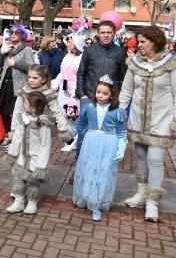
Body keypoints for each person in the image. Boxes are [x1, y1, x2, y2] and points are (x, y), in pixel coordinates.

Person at [119, 26, 176, 222]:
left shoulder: (172, 64)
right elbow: (126, 92)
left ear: (154, 42)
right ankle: (141, 194)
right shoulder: (134, 63)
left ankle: (152, 202)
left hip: (162, 120)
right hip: (138, 120)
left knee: (155, 159)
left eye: (142, 42)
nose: (138, 45)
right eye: (138, 42)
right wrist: (118, 114)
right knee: (140, 157)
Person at [6, 65, 71, 215]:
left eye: (35, 78)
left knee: (34, 175)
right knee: (19, 172)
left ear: (43, 79)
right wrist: (14, 130)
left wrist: (63, 130)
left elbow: (57, 112)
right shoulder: (24, 92)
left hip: (39, 130)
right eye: (29, 77)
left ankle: (33, 202)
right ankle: (19, 201)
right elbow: (17, 111)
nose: (31, 80)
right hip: (23, 133)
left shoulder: (49, 94)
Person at [71, 76, 127, 221]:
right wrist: (69, 134)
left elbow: (121, 132)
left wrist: (121, 148)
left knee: (103, 171)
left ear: (112, 95)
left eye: (105, 93)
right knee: (89, 169)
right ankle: (86, 197)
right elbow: (81, 125)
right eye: (98, 92)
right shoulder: (90, 107)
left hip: (108, 143)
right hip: (91, 142)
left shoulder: (117, 111)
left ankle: (96, 204)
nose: (100, 96)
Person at [75, 20, 127, 156]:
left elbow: (123, 78)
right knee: (83, 134)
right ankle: (80, 167)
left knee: (107, 135)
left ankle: (99, 166)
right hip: (89, 98)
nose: (105, 35)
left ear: (114, 33)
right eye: (103, 32)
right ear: (98, 34)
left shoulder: (121, 53)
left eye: (109, 32)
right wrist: (81, 94)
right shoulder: (90, 50)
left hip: (110, 102)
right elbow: (81, 72)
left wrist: (118, 97)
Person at [0, 24, 36, 141]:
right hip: (5, 84)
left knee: (16, 112)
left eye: (16, 32)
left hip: (18, 86)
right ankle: (9, 134)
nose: (13, 34)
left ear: (22, 35)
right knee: (2, 110)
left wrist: (16, 64)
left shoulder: (26, 49)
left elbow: (32, 68)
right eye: (11, 32)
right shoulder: (7, 48)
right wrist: (1, 53)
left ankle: (16, 136)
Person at [53, 33, 85, 152]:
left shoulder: (82, 59)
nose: (68, 43)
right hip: (64, 91)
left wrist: (76, 90)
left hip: (75, 92)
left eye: (70, 41)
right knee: (63, 116)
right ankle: (69, 141)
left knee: (73, 116)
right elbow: (62, 72)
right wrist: (56, 82)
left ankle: (75, 141)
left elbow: (82, 75)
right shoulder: (66, 56)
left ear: (76, 44)